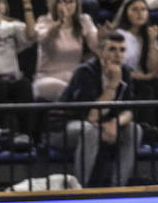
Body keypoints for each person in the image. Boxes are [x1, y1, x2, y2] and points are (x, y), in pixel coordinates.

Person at [55, 31, 141, 188]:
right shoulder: (86, 71)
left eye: (122, 50)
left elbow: (129, 110)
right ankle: (80, 190)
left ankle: (119, 188)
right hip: (65, 127)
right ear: (101, 52)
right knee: (90, 130)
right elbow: (92, 116)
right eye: (112, 49)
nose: (118, 54)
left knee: (135, 130)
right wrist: (112, 86)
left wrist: (115, 123)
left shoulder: (126, 71)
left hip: (103, 125)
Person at [32, 0, 99, 101]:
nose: (66, 6)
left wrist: (103, 37)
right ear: (55, 3)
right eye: (62, 2)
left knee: (86, 86)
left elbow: (96, 46)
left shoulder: (84, 21)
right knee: (70, 90)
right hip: (48, 78)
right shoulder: (44, 21)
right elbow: (44, 41)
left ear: (77, 3)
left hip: (73, 78)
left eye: (71, 2)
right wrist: (59, 25)